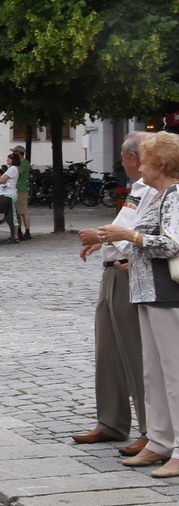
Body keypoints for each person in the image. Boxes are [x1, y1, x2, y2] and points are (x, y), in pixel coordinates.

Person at [88, 132, 179, 477]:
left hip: (167, 293)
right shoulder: (157, 195)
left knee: (173, 373)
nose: (139, 165)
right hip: (148, 291)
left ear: (161, 164)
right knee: (153, 372)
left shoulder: (175, 195)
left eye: (145, 159)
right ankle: (158, 440)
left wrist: (129, 236)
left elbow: (171, 244)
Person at [74, 134, 154, 452]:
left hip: (130, 272)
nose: (123, 164)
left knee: (136, 353)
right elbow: (126, 223)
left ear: (132, 158)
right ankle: (111, 421)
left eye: (123, 158)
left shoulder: (158, 187)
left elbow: (144, 233)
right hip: (113, 272)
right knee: (108, 351)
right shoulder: (139, 187)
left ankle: (152, 429)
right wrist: (103, 240)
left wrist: (106, 237)